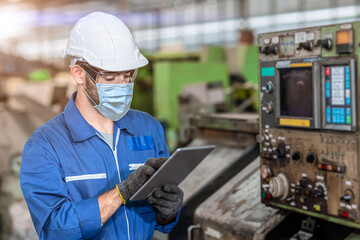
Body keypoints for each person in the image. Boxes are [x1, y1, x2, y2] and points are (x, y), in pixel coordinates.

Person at [20, 12, 183, 240]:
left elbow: (161, 222)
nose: (123, 85)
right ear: (79, 74)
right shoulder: (46, 145)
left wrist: (168, 212)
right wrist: (120, 193)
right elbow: (54, 230)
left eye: (128, 76)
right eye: (110, 78)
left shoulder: (148, 128)